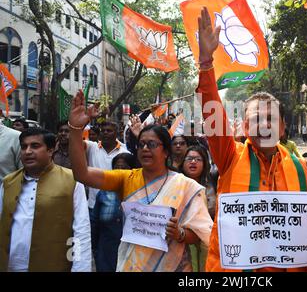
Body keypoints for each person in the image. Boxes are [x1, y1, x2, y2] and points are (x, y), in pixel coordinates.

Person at [196, 7, 307, 272]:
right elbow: (212, 113)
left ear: (283, 128)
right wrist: (205, 64)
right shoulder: (230, 156)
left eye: (271, 118)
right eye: (256, 118)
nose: (264, 124)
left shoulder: (299, 167)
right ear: (245, 126)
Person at [68, 91, 213, 272]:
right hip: (132, 266)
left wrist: (179, 233)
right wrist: (75, 129)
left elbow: (200, 234)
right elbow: (82, 174)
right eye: (141, 144)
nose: (145, 148)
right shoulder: (126, 178)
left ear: (166, 151)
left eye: (152, 144)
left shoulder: (187, 186)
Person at [0, 127, 91, 271]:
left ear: (50, 150)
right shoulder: (8, 182)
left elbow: (81, 231)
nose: (28, 151)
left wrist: (80, 268)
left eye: (35, 146)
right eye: (24, 147)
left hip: (54, 264)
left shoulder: (72, 181)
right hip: (11, 265)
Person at [85, 121, 129, 271]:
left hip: (116, 207)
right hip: (92, 205)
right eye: (103, 130)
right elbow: (76, 144)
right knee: (97, 242)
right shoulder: (92, 147)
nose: (105, 133)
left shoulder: (125, 152)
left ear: (116, 132)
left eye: (109, 130)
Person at [91, 152, 136, 272]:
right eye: (116, 168)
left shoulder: (141, 194)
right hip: (106, 254)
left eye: (124, 168)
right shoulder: (104, 193)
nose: (119, 171)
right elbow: (95, 223)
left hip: (132, 256)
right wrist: (95, 250)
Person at [179, 145, 215, 272]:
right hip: (183, 239)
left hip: (209, 237)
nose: (193, 162)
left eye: (198, 159)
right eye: (189, 159)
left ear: (205, 163)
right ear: (182, 163)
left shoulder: (213, 181)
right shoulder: (175, 184)